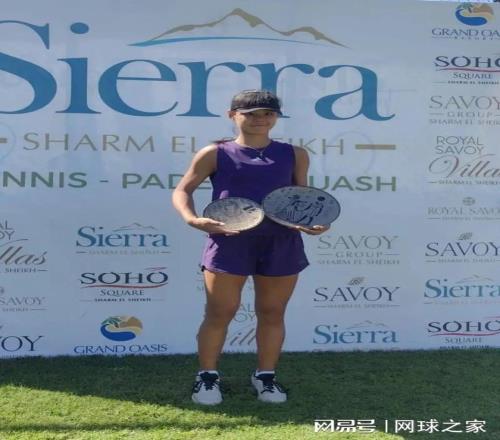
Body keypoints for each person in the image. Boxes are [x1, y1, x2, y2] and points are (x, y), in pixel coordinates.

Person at [171, 89, 329, 405]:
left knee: (272, 312)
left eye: (268, 113)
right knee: (220, 312)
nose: (260, 119)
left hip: (281, 241)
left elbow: (303, 198)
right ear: (233, 115)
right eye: (251, 114)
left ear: (276, 117)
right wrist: (192, 219)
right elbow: (182, 190)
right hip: (229, 241)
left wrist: (312, 222)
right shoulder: (215, 153)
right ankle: (207, 377)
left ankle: (265, 377)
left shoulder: (295, 154)